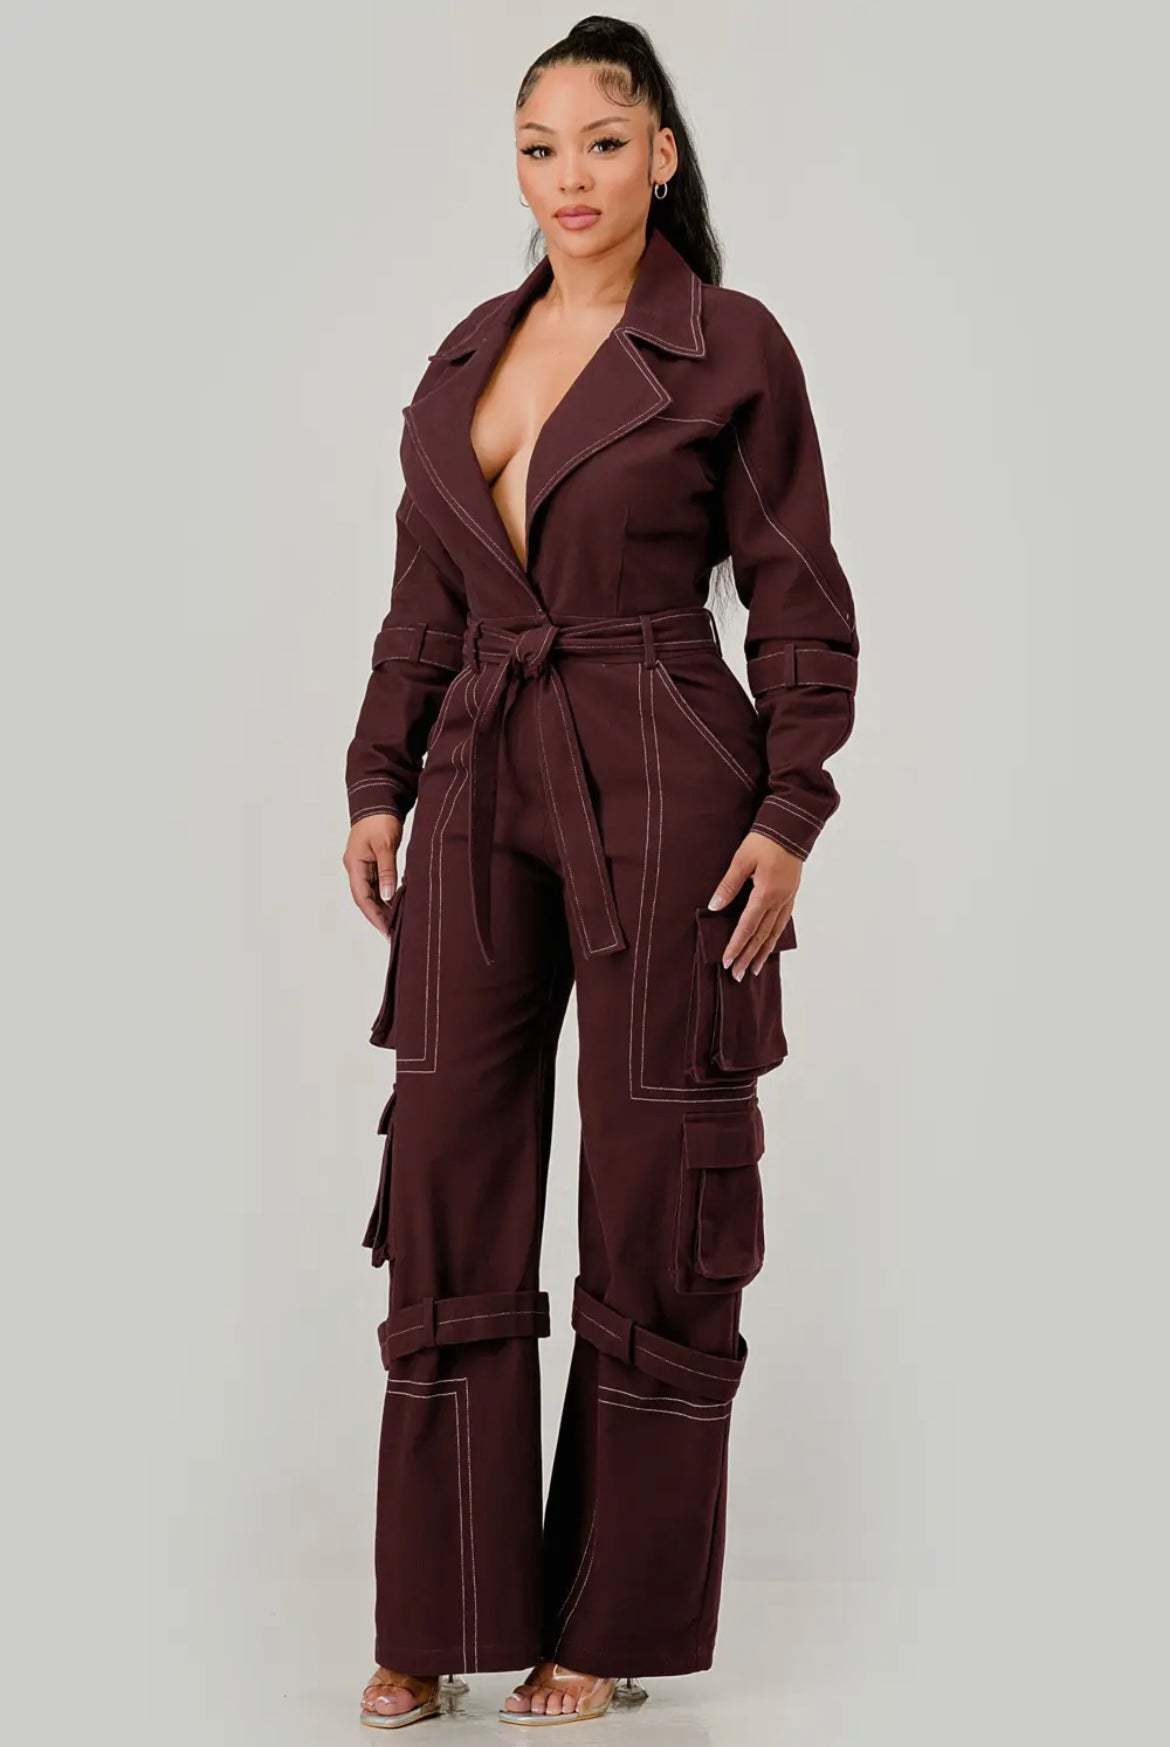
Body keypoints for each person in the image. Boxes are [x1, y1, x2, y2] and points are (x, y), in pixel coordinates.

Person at [343, 14, 860, 1730]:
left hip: (667, 777)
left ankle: (606, 1623)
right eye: (537, 145)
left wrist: (788, 810)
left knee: (656, 1184)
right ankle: (436, 1607)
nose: (568, 176)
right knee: (445, 1165)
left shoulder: (728, 343)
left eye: (602, 140)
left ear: (663, 157)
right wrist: (377, 780)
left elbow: (796, 597)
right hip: (476, 777)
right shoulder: (464, 356)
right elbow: (423, 599)